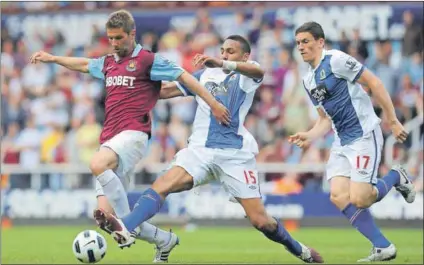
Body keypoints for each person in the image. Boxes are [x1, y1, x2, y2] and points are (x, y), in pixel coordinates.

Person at [94, 35, 323, 263]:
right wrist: (136, 80)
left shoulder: (246, 73)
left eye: (230, 51)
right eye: (222, 50)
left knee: (261, 221)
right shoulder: (204, 75)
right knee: (162, 185)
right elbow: (165, 92)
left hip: (234, 156)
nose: (224, 54)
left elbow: (259, 72)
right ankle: (126, 227)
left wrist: (223, 63)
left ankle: (299, 250)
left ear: (244, 56)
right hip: (200, 151)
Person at [29, 9, 230, 263]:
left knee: (97, 163)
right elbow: (83, 64)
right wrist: (52, 58)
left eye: (119, 38)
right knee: (104, 217)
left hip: (134, 134)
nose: (114, 43)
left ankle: (126, 226)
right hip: (110, 139)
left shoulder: (147, 60)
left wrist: (213, 103)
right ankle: (163, 240)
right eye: (110, 38)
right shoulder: (109, 62)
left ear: (132, 34)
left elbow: (184, 76)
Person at [289, 21, 416, 262]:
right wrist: (309, 135)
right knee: (338, 195)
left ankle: (397, 176)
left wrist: (392, 119)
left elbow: (374, 82)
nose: (301, 47)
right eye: (297, 43)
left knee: (361, 197)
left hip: (364, 134)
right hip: (341, 141)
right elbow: (324, 120)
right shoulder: (308, 81)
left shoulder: (336, 60)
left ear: (320, 42)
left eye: (305, 41)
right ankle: (383, 246)